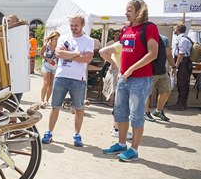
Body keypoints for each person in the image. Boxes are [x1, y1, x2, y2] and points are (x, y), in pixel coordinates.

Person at [103, 0, 159, 162]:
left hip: (140, 79)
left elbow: (153, 54)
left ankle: (134, 150)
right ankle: (121, 144)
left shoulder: (149, 28)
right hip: (124, 78)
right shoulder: (126, 28)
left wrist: (131, 69)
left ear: (139, 11)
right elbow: (123, 49)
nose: (125, 13)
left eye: (129, 10)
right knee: (120, 112)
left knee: (136, 115)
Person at [41, 15, 94, 147]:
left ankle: (77, 134)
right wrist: (77, 53)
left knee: (79, 108)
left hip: (78, 79)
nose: (73, 28)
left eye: (76, 25)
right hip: (61, 76)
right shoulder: (63, 38)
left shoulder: (88, 40)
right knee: (55, 106)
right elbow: (59, 54)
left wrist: (69, 54)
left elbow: (87, 59)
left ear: (82, 25)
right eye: (71, 25)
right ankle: (49, 132)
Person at [99, 34, 133, 141]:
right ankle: (117, 129)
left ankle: (116, 128)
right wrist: (113, 63)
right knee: (120, 104)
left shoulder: (120, 45)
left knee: (119, 104)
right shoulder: (120, 45)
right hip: (118, 75)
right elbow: (102, 51)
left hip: (118, 75)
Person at [144, 32, 175, 122]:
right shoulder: (144, 38)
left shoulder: (164, 39)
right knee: (147, 93)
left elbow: (168, 54)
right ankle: (145, 112)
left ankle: (158, 110)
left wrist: (173, 66)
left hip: (162, 70)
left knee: (166, 91)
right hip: (149, 71)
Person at [168, 24, 192, 111]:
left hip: (183, 63)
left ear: (178, 29)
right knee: (183, 83)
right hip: (184, 62)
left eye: (175, 28)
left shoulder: (182, 39)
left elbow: (181, 54)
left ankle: (181, 104)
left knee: (182, 84)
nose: (174, 29)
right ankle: (182, 103)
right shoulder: (183, 38)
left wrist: (176, 66)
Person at [39, 31, 59, 107]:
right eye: (55, 39)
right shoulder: (46, 46)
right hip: (46, 66)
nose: (57, 40)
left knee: (51, 84)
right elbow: (40, 54)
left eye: (58, 39)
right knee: (46, 82)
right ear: (51, 38)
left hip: (55, 67)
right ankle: (42, 100)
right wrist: (47, 58)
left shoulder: (59, 47)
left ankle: (47, 100)